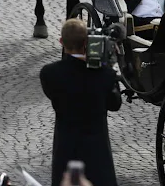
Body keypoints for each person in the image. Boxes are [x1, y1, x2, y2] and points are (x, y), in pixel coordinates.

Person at [40, 18, 122, 186]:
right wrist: (109, 68)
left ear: (62, 42)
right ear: (87, 42)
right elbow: (115, 104)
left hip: (65, 147)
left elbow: (52, 94)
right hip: (97, 152)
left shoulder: (49, 73)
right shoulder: (105, 75)